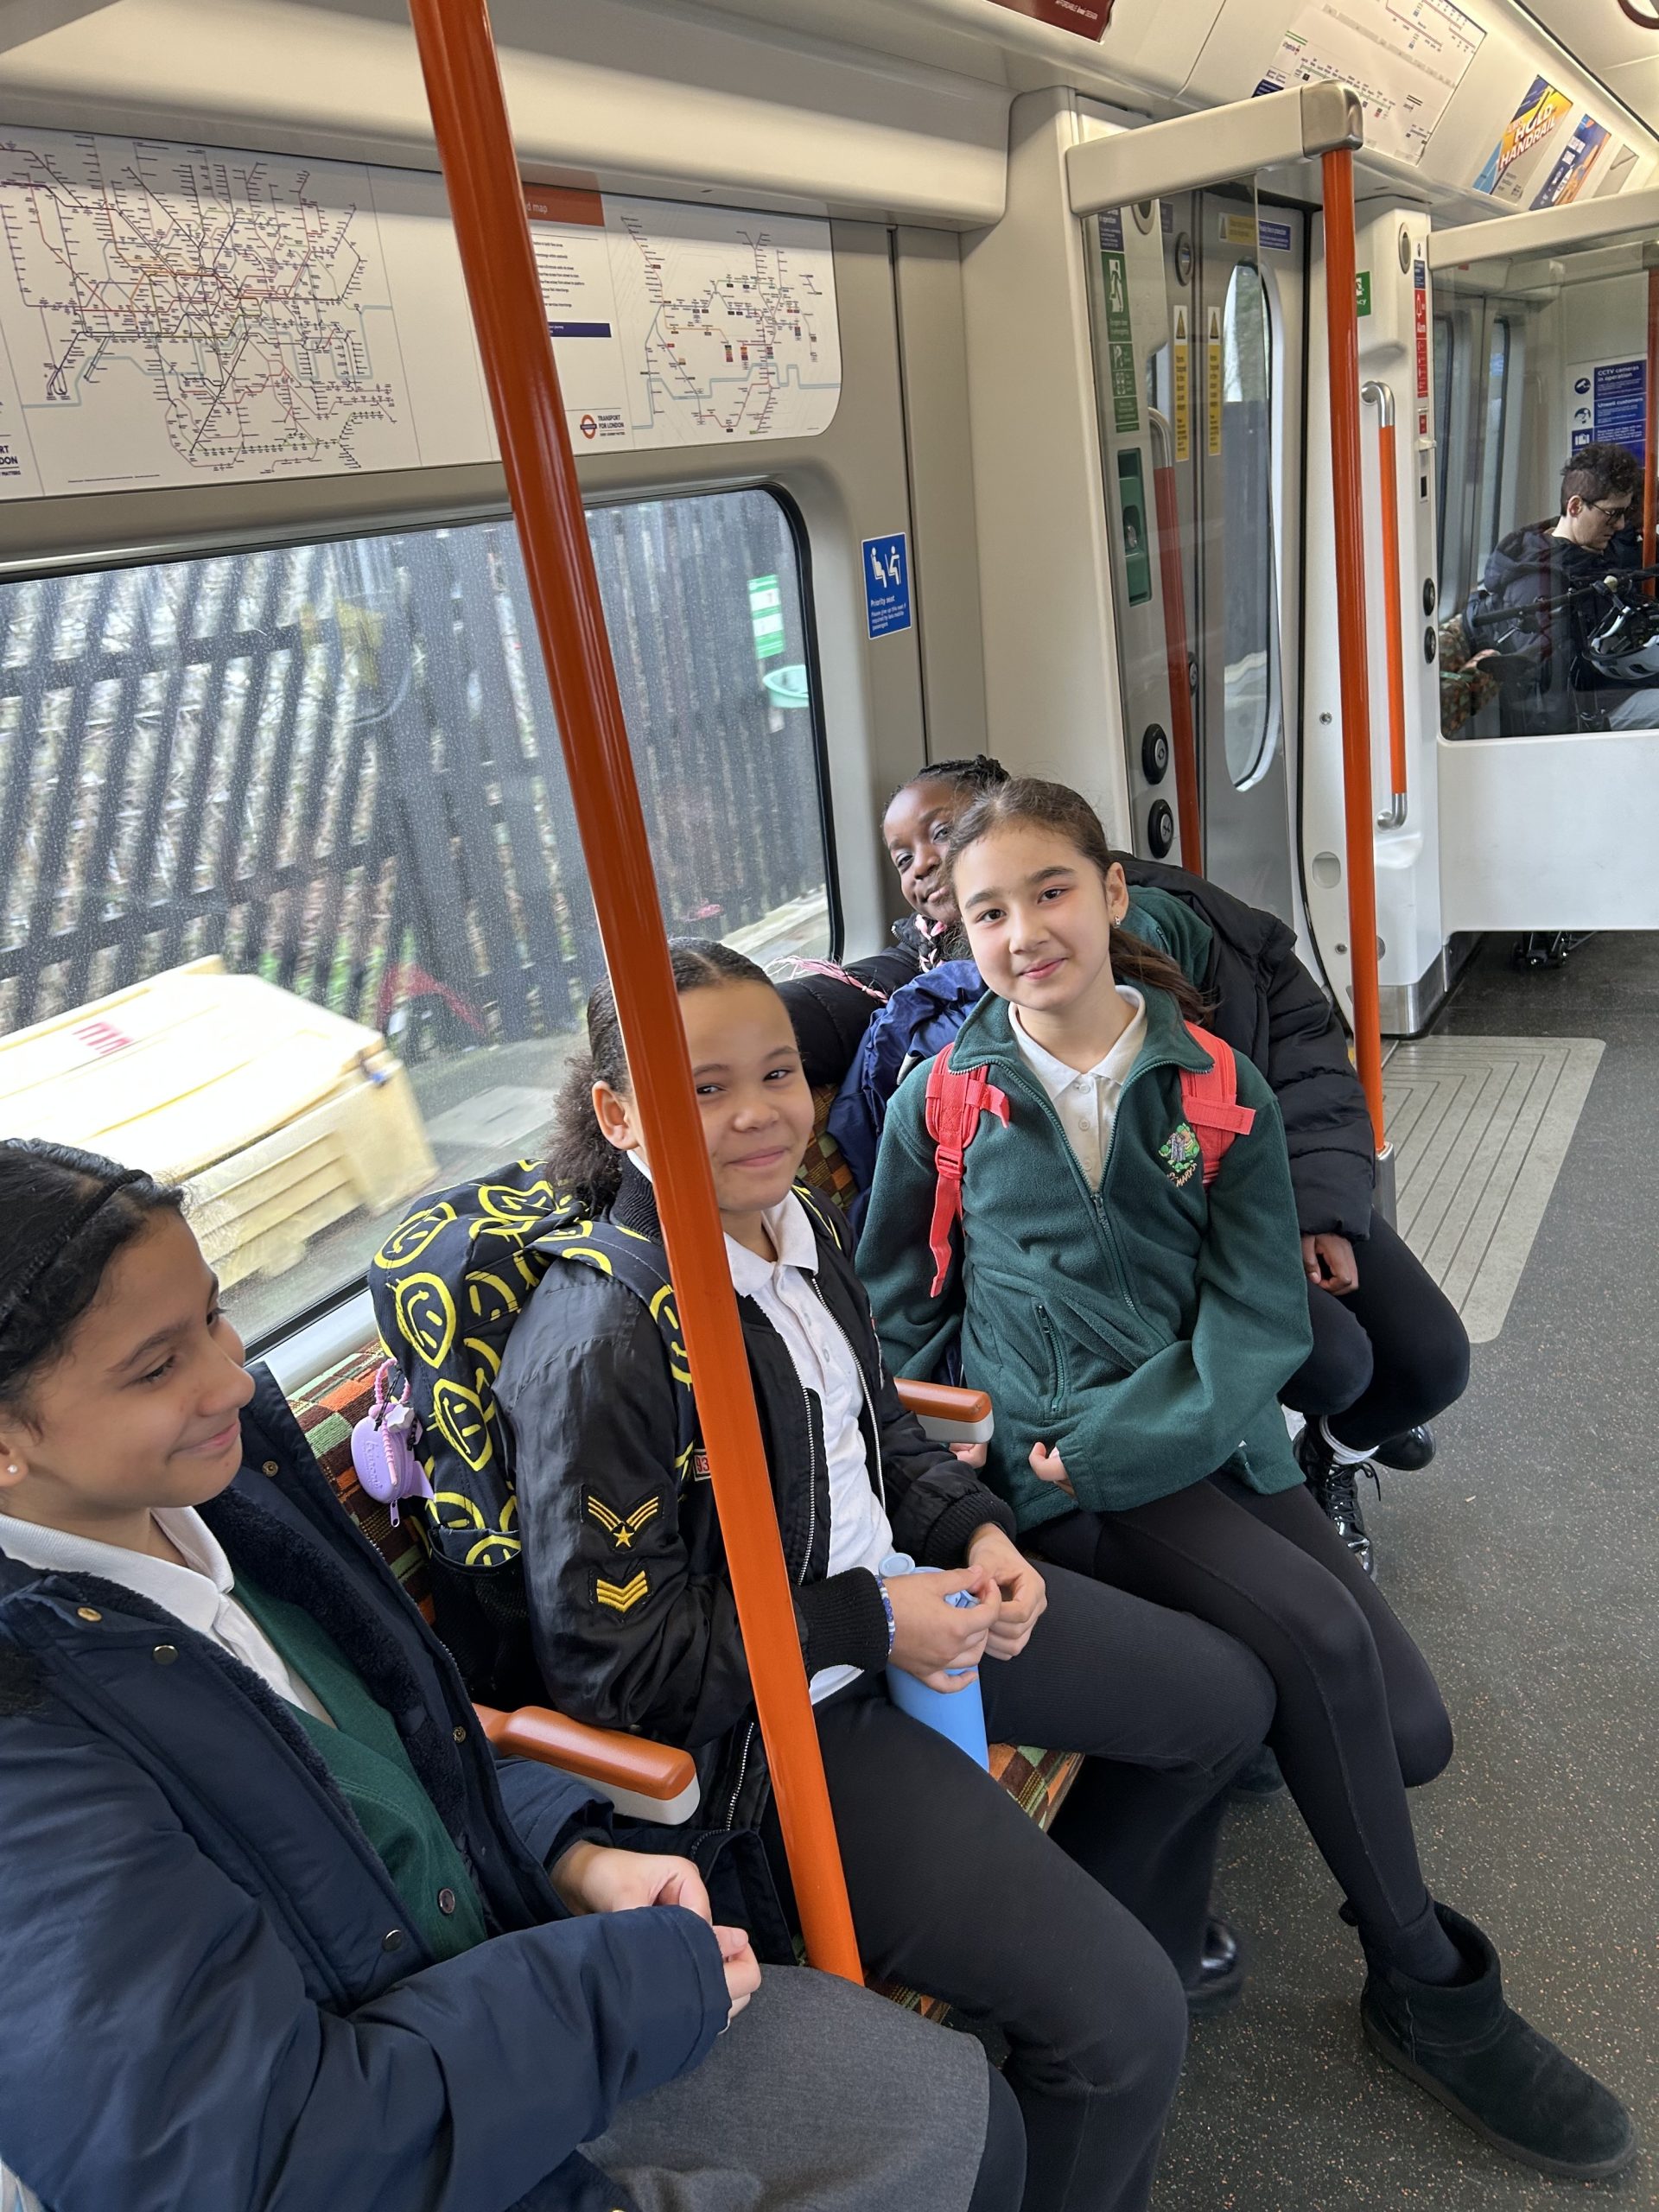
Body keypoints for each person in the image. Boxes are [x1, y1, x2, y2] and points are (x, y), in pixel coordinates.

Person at [0, 1139, 1028, 2212]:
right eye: (155, 1368)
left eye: (215, 1316)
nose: (233, 1377)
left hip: (506, 1978)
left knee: (967, 2112)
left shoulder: (230, 1499)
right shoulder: (30, 1754)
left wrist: (568, 1851)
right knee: (956, 2129)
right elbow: (251, 2159)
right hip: (412, 2130)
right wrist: (620, 1990)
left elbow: (419, 1734)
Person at [856, 779, 1636, 2183]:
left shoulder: (1216, 1090)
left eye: (1051, 892)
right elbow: (898, 1310)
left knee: (1405, 1731)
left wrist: (1140, 1438)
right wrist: (948, 1472)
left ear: (1112, 893)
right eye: (989, 912)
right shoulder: (945, 1103)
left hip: (1194, 1444)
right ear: (962, 936)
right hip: (1052, 1473)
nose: (1025, 932)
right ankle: (1430, 1986)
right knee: (1321, 1639)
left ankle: (1220, 1911)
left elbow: (1258, 1321)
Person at [493, 940, 1281, 2212]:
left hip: (906, 1603)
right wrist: (872, 1620)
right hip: (783, 1731)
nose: (759, 1115)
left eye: (776, 1075)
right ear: (619, 1116)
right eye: (702, 1090)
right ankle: (1102, 2026)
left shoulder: (797, 1226)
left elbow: (881, 1439)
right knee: (1127, 2028)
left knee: (1223, 1702)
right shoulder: (606, 1347)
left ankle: (1076, 1978)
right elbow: (623, 1674)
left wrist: (979, 1535)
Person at [825, 755, 1469, 1576]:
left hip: (1248, 1175)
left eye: (943, 833)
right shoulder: (943, 1013)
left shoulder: (1160, 932)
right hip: (1083, 1370)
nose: (925, 864)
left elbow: (1299, 1046)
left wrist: (1321, 1202)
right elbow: (902, 1282)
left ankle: (1337, 1451)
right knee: (1337, 1365)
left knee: (1420, 1358)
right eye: (904, 856)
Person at [1466, 439, 1659, 734]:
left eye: (1624, 514)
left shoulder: (1600, 549)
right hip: (1597, 705)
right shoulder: (1539, 581)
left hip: (1627, 681)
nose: (1621, 525)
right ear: (1576, 506)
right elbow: (1549, 678)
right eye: (1613, 514)